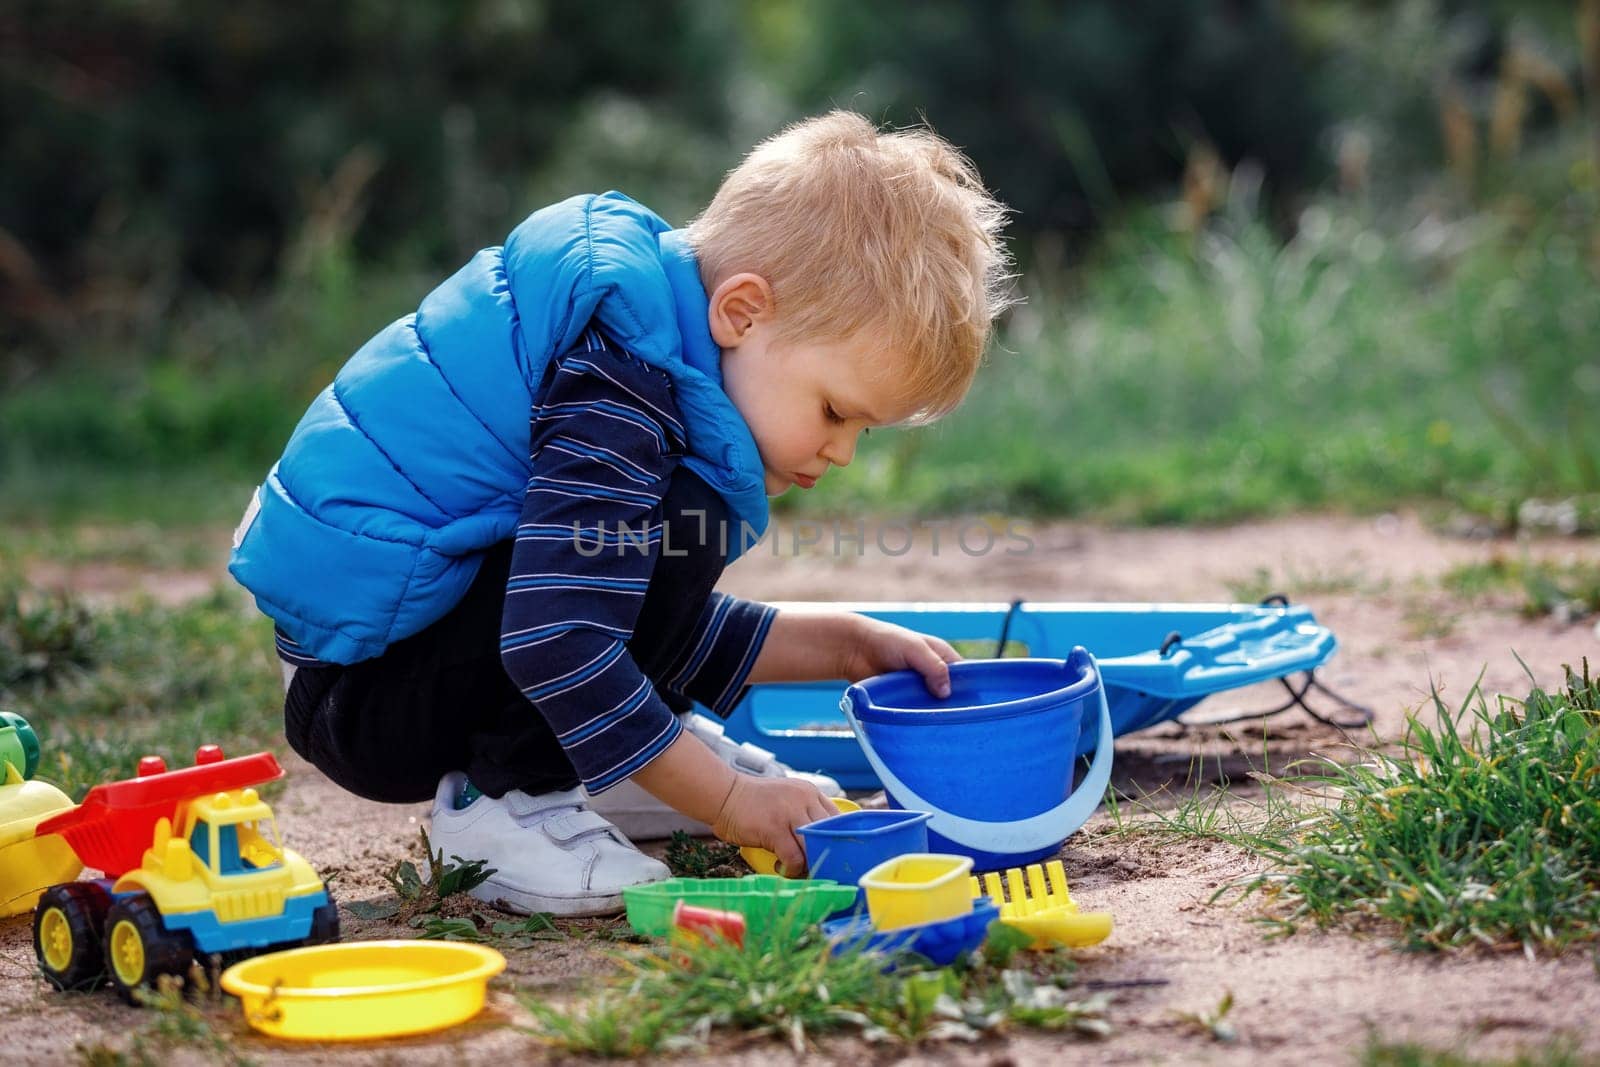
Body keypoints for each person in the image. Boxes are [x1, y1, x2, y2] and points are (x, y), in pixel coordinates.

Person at [229, 110, 1013, 916]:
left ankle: (607, 762)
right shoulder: (621, 387)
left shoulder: (651, 347)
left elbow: (640, 616)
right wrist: (730, 804)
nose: (843, 452)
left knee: (643, 533)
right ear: (743, 311)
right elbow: (559, 636)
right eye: (835, 411)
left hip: (406, 657)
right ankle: (504, 805)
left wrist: (844, 644)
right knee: (677, 517)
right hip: (365, 695)